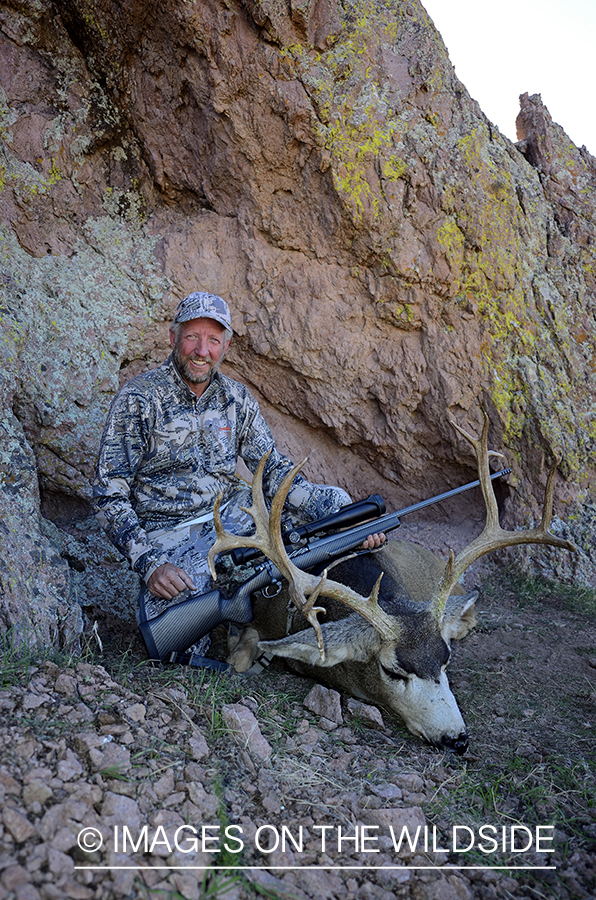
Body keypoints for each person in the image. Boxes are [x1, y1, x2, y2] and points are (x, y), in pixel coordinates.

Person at [93, 291, 384, 661]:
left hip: (233, 517)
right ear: (173, 338)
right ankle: (225, 621)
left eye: (213, 340)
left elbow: (273, 471)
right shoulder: (138, 400)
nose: (202, 350)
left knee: (331, 513)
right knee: (171, 630)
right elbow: (109, 493)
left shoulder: (237, 399)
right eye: (192, 337)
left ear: (226, 345)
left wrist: (348, 516)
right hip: (167, 533)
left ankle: (290, 617)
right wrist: (150, 564)